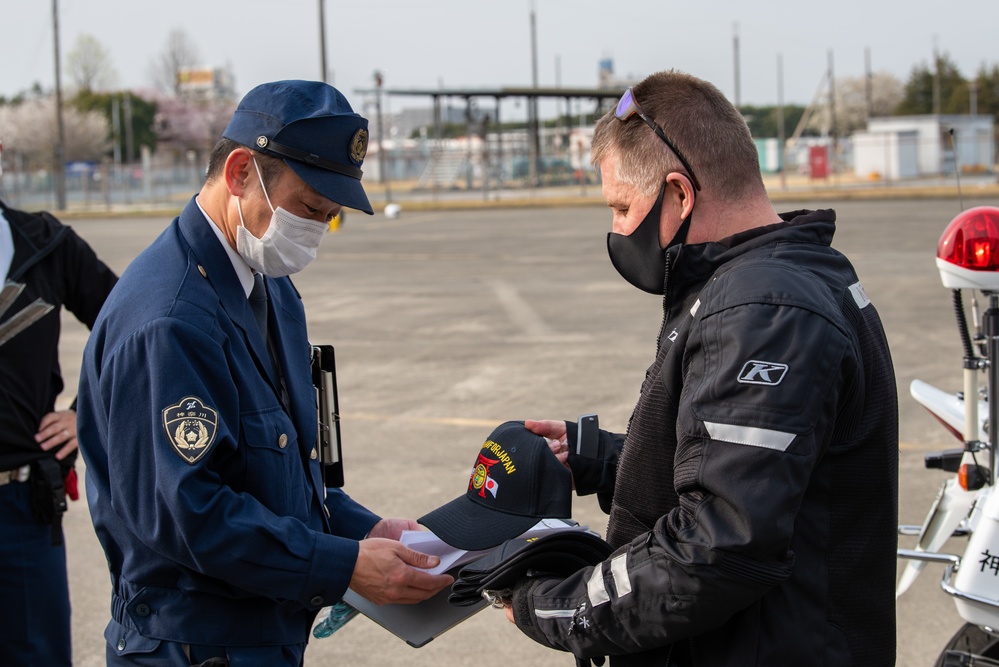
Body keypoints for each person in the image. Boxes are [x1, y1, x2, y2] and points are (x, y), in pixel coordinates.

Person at [504, 70, 898, 666]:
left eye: (621, 207)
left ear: (679, 194)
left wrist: (557, 605)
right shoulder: (785, 277)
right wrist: (601, 458)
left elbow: (716, 548)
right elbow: (760, 471)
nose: (615, 230)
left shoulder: (763, 309)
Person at [76, 80, 452, 666]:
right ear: (240, 173)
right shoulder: (169, 322)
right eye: (308, 209)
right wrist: (343, 565)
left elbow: (281, 473)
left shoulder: (268, 289)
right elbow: (190, 515)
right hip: (191, 647)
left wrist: (363, 530)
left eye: (330, 217)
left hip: (261, 634)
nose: (317, 232)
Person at [0, 198, 118, 667]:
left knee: (37, 655)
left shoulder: (44, 244)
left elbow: (131, 323)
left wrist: (84, 412)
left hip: (21, 506)